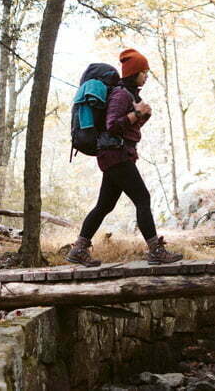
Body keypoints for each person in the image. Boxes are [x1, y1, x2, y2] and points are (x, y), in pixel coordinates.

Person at [67, 48, 184, 267]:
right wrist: (137, 114)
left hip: (117, 154)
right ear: (134, 72)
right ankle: (155, 251)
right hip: (115, 154)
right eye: (144, 71)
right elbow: (112, 126)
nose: (146, 76)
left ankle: (78, 249)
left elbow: (127, 129)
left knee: (104, 205)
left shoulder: (130, 95)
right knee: (143, 198)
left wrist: (142, 116)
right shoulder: (121, 94)